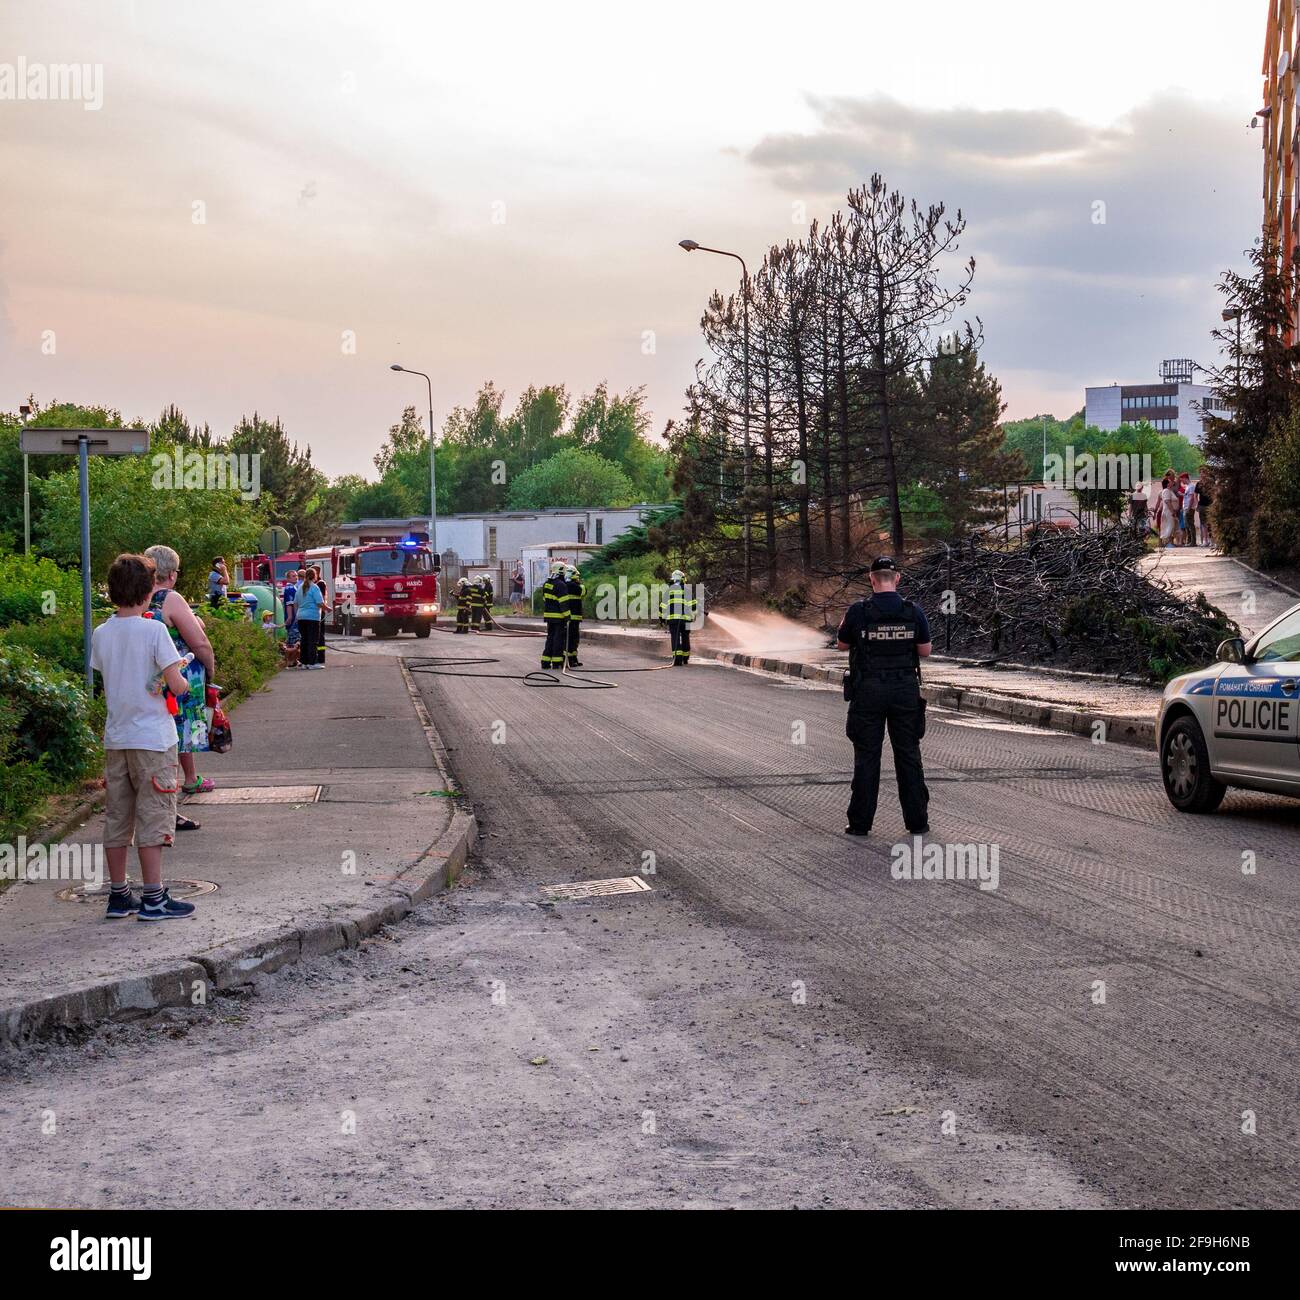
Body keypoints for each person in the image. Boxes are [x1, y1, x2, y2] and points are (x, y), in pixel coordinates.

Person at [91, 553, 197, 921]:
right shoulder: (154, 631)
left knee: (118, 817)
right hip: (153, 738)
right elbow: (176, 685)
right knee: (153, 817)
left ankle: (119, 896)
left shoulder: (101, 633)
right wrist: (181, 674)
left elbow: (109, 676)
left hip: (116, 737)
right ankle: (154, 898)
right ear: (149, 591)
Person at [837, 555, 930, 838]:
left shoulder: (858, 611)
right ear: (897, 578)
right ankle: (917, 822)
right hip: (904, 691)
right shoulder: (913, 612)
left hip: (868, 692)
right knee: (908, 756)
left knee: (867, 757)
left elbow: (841, 644)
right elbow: (924, 651)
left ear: (872, 579)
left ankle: (860, 824)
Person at [143, 544, 218, 828]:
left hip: (149, 681)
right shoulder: (171, 598)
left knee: (160, 742)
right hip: (177, 680)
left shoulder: (137, 598)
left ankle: (163, 800)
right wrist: (210, 671)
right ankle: (169, 808)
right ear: (172, 574)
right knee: (175, 739)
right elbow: (199, 642)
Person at [297, 565, 330, 667]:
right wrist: (327, 609)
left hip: (301, 617)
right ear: (314, 576)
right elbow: (319, 603)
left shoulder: (300, 587)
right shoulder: (314, 587)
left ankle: (304, 662)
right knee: (313, 640)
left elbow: (295, 603)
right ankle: (312, 662)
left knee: (304, 640)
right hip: (312, 617)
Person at [662, 569, 696, 666]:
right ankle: (685, 658)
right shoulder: (687, 590)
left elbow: (663, 606)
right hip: (686, 620)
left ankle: (677, 660)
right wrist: (694, 616)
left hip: (673, 620)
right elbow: (693, 606)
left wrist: (661, 619)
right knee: (685, 637)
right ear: (682, 579)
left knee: (675, 638)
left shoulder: (669, 591)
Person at [540, 560, 570, 669]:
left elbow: (545, 599)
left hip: (548, 616)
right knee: (558, 639)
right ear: (561, 572)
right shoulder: (561, 585)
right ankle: (557, 662)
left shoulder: (547, 584)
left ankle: (545, 662)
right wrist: (567, 616)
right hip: (559, 617)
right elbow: (564, 603)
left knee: (550, 638)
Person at [564, 564, 585, 667]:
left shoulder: (562, 585)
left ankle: (566, 660)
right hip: (575, 617)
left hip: (564, 617)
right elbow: (583, 591)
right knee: (573, 639)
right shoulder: (577, 587)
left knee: (566, 638)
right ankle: (572, 660)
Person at [1158, 475, 1179, 549]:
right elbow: (1167, 501)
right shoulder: (1166, 491)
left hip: (1171, 511)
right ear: (1167, 484)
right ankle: (1167, 543)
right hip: (1168, 511)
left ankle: (1170, 542)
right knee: (1169, 526)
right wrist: (1172, 511)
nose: (1172, 482)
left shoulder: (1170, 491)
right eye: (1170, 482)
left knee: (1172, 526)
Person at [1197, 467, 1214, 546]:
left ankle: (1212, 540)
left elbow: (1214, 493)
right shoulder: (1198, 484)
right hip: (1201, 505)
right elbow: (1195, 495)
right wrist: (1197, 504)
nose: (1202, 474)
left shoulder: (1210, 483)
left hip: (1210, 504)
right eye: (1200, 473)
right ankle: (1205, 540)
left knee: (1211, 523)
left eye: (1203, 472)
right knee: (1203, 523)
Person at [1182, 476, 1199, 549]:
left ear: (1185, 478)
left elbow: (1192, 498)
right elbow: (1187, 497)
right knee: (1186, 524)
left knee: (1190, 524)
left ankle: (1193, 541)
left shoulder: (1191, 486)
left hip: (1189, 508)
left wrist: (1188, 508)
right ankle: (1189, 541)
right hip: (1186, 508)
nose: (1182, 481)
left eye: (1182, 479)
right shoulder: (1187, 487)